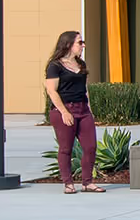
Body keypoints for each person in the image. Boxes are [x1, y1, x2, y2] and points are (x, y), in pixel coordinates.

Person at [44, 30, 104, 194]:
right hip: (64, 110)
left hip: (83, 110)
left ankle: (87, 183)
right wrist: (64, 112)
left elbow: (85, 89)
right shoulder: (54, 66)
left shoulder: (81, 64)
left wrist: (90, 110)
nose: (83, 45)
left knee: (90, 147)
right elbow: (51, 91)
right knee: (66, 148)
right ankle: (68, 184)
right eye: (80, 42)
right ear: (68, 45)